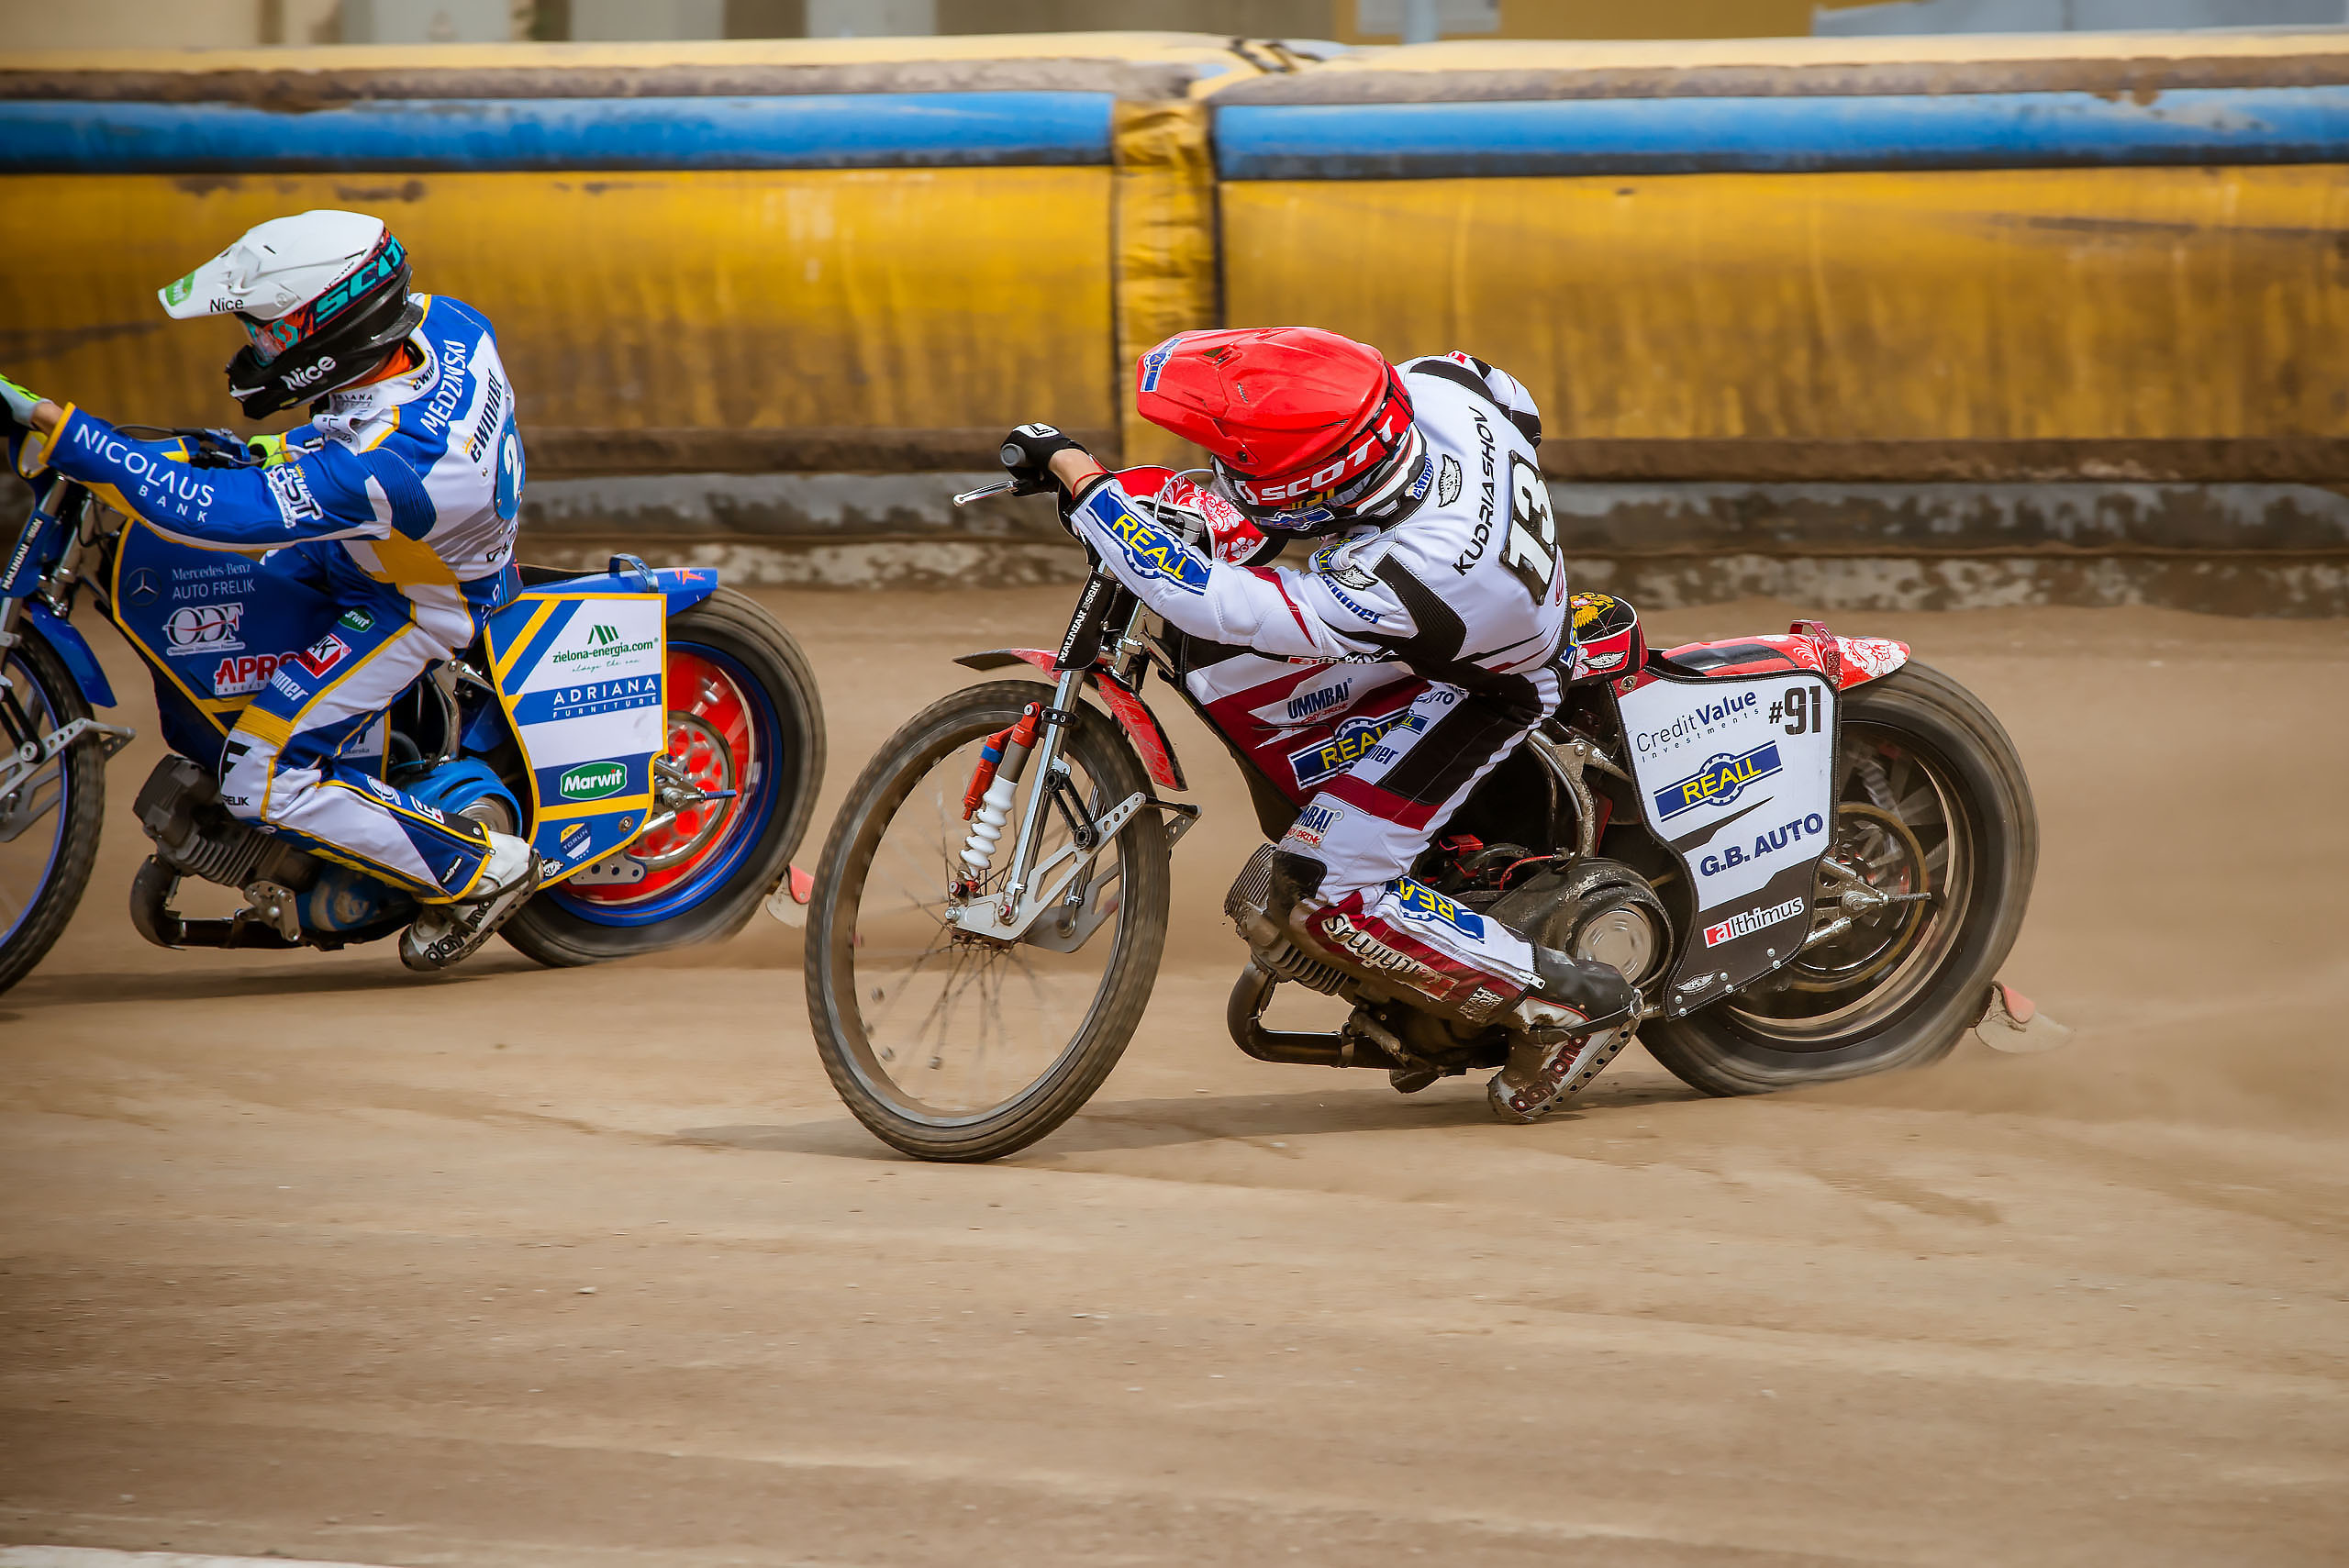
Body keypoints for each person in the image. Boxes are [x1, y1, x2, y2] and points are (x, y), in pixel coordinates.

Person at [999, 326, 1642, 1122]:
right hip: (1472, 600)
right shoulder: (1436, 387)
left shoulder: (1404, 575)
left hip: (1489, 686)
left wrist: (1083, 478)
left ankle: (1572, 1005)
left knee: (1320, 886)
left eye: (1252, 472)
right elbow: (1516, 405)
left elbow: (1212, 601)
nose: (1231, 476)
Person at [0, 209, 538, 972]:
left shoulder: (391, 460)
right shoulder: (446, 324)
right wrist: (226, 450)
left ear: (335, 329)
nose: (256, 347)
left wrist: (75, 436)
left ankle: (481, 869)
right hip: (374, 544)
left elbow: (218, 512)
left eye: (271, 332)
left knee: (258, 774)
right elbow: (335, 439)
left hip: (411, 605)